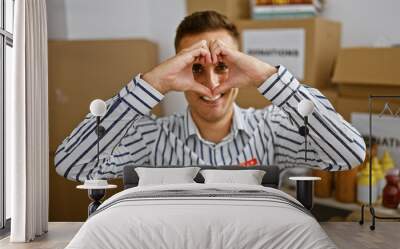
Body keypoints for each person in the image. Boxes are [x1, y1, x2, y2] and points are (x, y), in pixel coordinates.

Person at [55, 11, 366, 182]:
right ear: (177, 69)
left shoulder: (272, 129)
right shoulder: (149, 137)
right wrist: (152, 84)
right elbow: (73, 165)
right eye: (196, 69)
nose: (212, 84)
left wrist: (266, 76)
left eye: (222, 67)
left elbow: (349, 153)